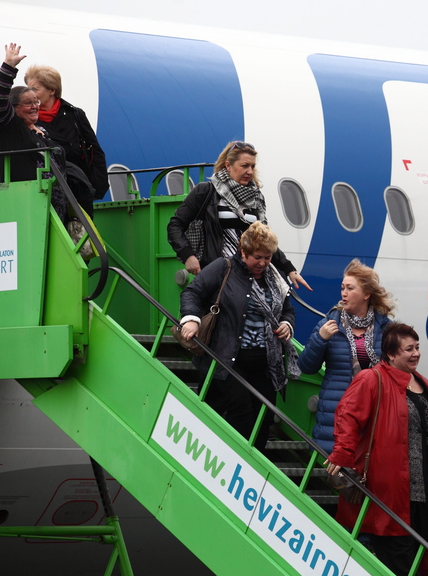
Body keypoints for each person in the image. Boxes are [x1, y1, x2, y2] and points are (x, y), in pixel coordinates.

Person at [327, 322, 428, 576]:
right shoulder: (372, 379)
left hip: (425, 494)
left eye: (418, 347)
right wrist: (342, 453)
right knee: (400, 571)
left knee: (414, 565)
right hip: (390, 493)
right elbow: (347, 415)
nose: (416, 353)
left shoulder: (422, 383)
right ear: (391, 354)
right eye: (409, 349)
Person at [179, 222, 300, 453]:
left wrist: (286, 324)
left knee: (264, 417)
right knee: (242, 411)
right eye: (258, 257)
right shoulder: (223, 267)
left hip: (265, 362)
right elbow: (192, 292)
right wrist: (191, 318)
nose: (263, 263)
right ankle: (237, 462)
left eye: (268, 257)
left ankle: (255, 465)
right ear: (242, 251)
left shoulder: (273, 277)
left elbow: (288, 309)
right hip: (229, 357)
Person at [167, 140, 309, 290]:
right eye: (245, 166)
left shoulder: (256, 198)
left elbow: (263, 241)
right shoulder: (206, 192)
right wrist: (188, 255)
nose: (250, 171)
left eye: (253, 166)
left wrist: (289, 269)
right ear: (228, 165)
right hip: (218, 273)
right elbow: (175, 225)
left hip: (249, 274)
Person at [298, 259, 395, 453]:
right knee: (336, 476)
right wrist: (320, 339)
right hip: (336, 415)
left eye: (350, 288)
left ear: (366, 294)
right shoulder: (329, 324)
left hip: (373, 414)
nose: (344, 293)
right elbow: (306, 367)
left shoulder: (386, 329)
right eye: (342, 287)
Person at [25, 63, 108, 217]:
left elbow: (95, 150)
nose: (30, 94)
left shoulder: (75, 115)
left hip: (80, 187)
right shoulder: (27, 120)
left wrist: (97, 188)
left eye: (35, 89)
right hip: (49, 190)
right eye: (28, 89)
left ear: (52, 90)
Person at [0, 44, 66, 190]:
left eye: (36, 101)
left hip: (54, 203)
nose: (35, 106)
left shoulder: (41, 131)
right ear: (13, 108)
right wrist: (8, 66)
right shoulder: (8, 127)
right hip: (24, 201)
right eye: (28, 103)